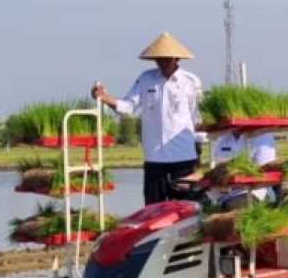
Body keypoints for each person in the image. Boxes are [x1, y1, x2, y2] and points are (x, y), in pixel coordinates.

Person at [92, 32, 202, 205]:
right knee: (153, 209)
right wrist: (105, 98)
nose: (162, 63)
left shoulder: (191, 82)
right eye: (158, 60)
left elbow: (197, 118)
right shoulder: (146, 79)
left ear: (175, 59)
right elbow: (128, 107)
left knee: (186, 209)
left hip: (183, 157)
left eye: (166, 59)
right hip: (155, 157)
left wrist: (198, 152)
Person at [211, 130, 277, 209]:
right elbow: (217, 165)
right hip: (222, 192)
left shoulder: (263, 136)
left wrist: (231, 184)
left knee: (230, 207)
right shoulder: (223, 137)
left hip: (253, 191)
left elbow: (263, 173)